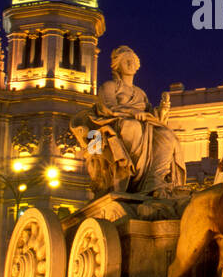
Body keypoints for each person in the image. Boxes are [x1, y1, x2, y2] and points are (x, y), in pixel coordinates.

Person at [71, 45, 186, 197]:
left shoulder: (140, 93)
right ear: (117, 65)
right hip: (113, 123)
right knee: (132, 127)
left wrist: (162, 112)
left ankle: (154, 181)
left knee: (167, 135)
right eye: (126, 61)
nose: (131, 64)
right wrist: (133, 112)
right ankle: (129, 176)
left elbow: (151, 115)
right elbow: (108, 107)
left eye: (133, 61)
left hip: (144, 126)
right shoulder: (109, 86)